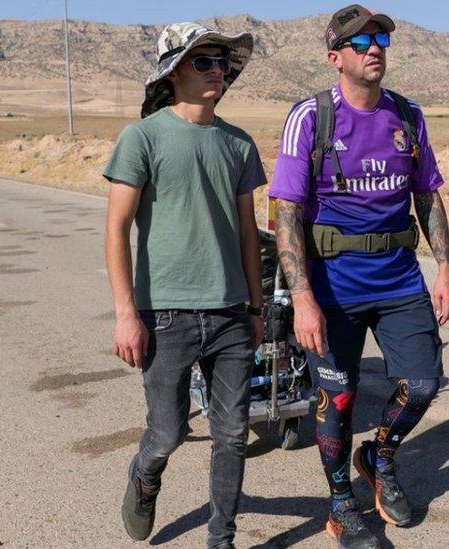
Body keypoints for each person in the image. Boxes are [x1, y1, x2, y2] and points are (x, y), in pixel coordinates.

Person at [270, 5, 449, 548]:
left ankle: (378, 456)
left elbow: (427, 195)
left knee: (422, 384)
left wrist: (445, 267)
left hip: (399, 281)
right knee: (339, 398)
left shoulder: (407, 115)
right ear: (336, 58)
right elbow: (285, 211)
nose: (374, 48)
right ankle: (340, 506)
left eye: (380, 39)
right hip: (331, 287)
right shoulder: (310, 117)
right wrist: (302, 299)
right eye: (359, 43)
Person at [102, 22, 266, 549]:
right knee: (168, 432)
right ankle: (145, 476)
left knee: (232, 436)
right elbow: (116, 228)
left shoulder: (239, 144)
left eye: (221, 61)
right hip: (164, 313)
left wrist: (257, 307)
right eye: (204, 61)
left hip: (231, 315)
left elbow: (248, 232)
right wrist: (126, 313)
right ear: (173, 72)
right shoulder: (142, 137)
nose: (218, 69)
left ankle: (222, 537)